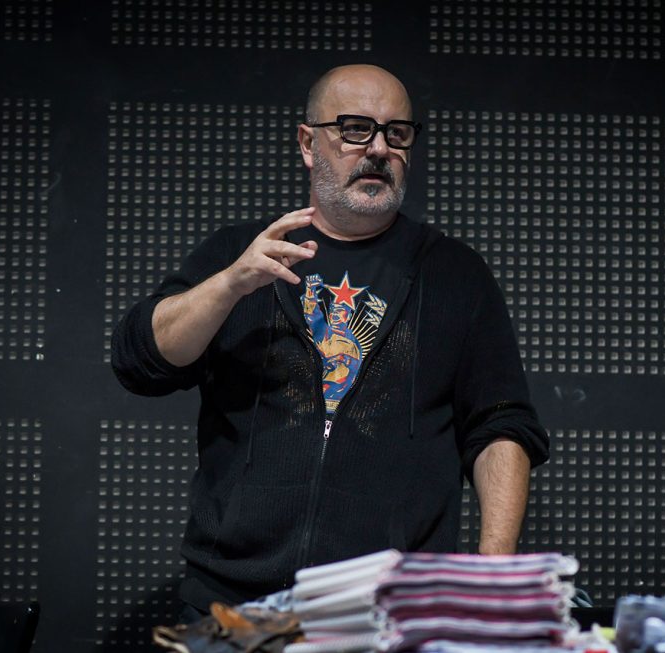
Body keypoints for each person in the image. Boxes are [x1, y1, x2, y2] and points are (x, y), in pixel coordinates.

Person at [111, 64, 550, 614]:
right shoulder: (241, 253)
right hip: (231, 607)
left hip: (391, 614)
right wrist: (230, 284)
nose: (379, 149)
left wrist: (491, 575)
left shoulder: (455, 273)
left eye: (397, 133)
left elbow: (501, 425)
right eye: (355, 128)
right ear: (307, 142)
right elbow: (140, 361)